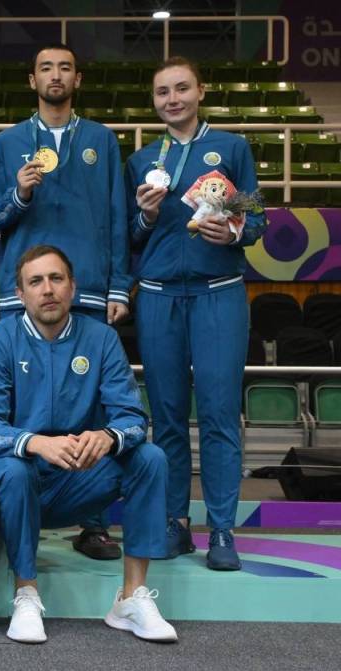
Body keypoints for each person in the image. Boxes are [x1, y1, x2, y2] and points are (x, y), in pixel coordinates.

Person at [0, 245, 177, 644]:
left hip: (78, 478)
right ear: (20, 293)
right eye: (36, 282)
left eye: (56, 279)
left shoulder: (101, 338)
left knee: (149, 458)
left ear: (73, 286)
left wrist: (107, 437)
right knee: (13, 469)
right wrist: (35, 443)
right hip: (17, 480)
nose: (47, 289)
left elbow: (134, 419)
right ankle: (26, 595)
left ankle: (131, 598)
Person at [0, 44, 130, 559]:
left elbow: (116, 216)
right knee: (22, 403)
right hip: (25, 289)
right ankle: (22, 507)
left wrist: (117, 285)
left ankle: (92, 523)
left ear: (77, 78)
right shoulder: (8, 143)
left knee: (91, 403)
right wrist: (19, 193)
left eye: (65, 67)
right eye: (46, 68)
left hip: (85, 288)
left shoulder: (102, 141)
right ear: (33, 79)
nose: (56, 75)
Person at [125, 57, 267, 571]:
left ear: (201, 91)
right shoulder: (141, 160)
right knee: (165, 418)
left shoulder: (231, 148)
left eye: (182, 88)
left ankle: (223, 529)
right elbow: (130, 236)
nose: (173, 99)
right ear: (154, 100)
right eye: (163, 92)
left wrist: (232, 232)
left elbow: (257, 220)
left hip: (218, 292)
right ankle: (175, 522)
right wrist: (145, 214)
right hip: (158, 295)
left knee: (218, 414)